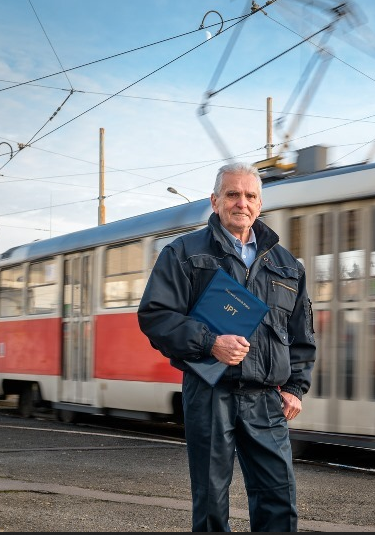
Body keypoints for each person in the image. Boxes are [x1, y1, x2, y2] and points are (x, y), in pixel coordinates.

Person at [137, 162, 316, 532]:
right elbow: (155, 316)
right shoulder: (184, 252)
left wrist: (296, 387)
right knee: (211, 501)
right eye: (233, 194)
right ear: (215, 200)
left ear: (260, 204)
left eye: (250, 196)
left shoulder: (287, 266)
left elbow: (302, 334)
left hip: (266, 398)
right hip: (209, 391)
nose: (242, 203)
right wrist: (210, 343)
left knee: (278, 498)